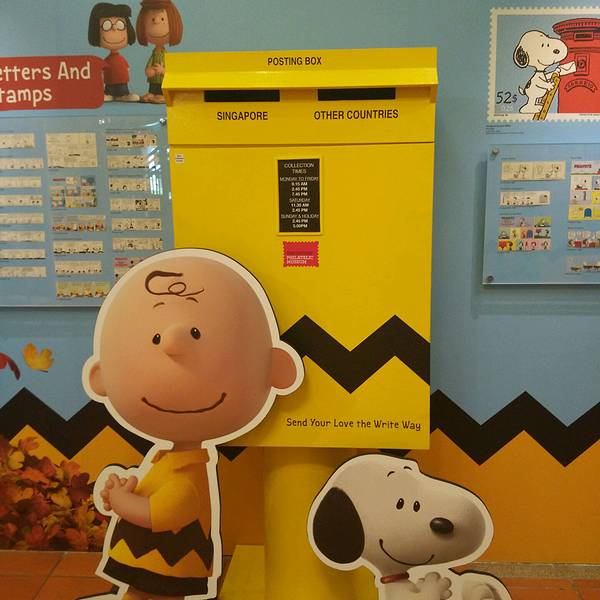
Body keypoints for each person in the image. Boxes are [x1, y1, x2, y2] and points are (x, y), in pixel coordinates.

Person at [82, 248, 303, 600]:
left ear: (275, 369)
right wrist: (128, 491)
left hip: (166, 566)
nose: (172, 344)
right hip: (153, 566)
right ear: (101, 377)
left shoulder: (187, 477)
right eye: (155, 338)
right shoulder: (171, 462)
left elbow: (160, 514)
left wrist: (123, 501)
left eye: (197, 332)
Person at [88, 3, 140, 102]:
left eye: (120, 25)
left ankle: (123, 95)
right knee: (109, 89)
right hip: (109, 82)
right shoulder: (107, 60)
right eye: (106, 25)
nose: (114, 29)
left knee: (123, 89)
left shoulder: (121, 59)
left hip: (123, 82)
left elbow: (127, 68)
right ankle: (108, 94)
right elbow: (102, 71)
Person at [136, 0, 183, 103]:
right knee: (152, 89)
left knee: (162, 88)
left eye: (162, 19)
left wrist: (162, 70)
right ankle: (152, 93)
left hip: (163, 80)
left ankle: (163, 95)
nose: (156, 22)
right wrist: (149, 71)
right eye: (152, 19)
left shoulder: (166, 55)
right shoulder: (153, 54)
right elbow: (148, 67)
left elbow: (170, 71)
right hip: (153, 81)